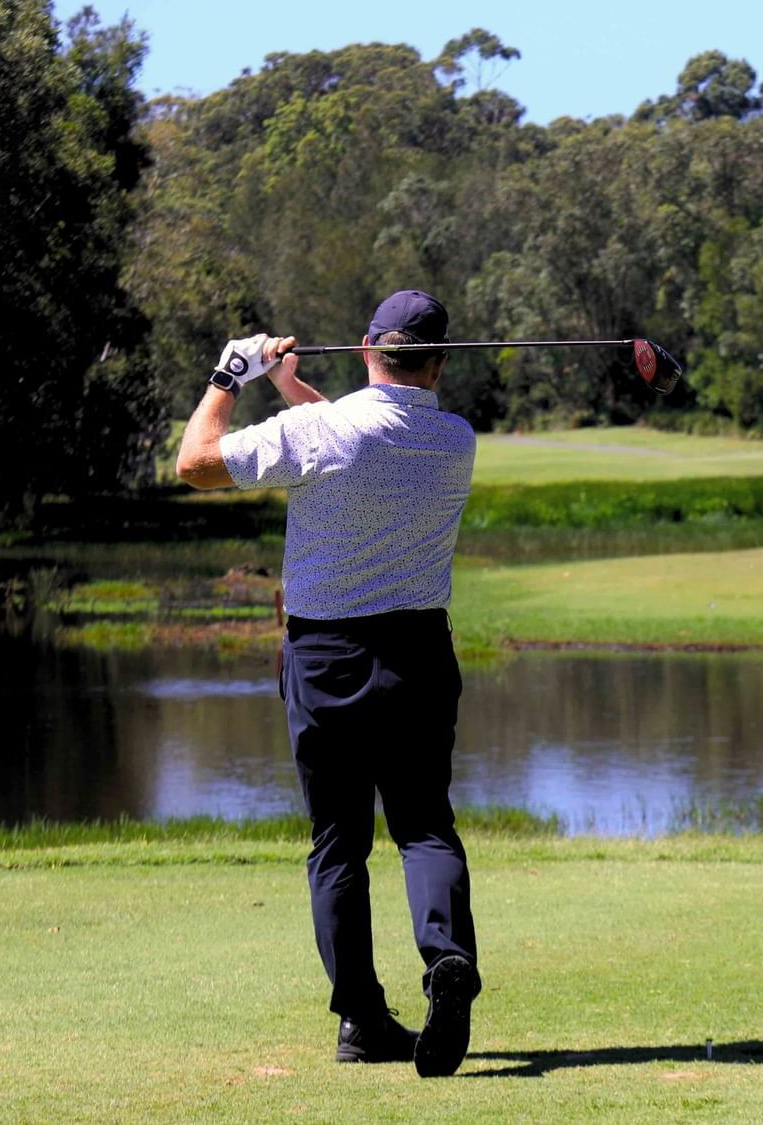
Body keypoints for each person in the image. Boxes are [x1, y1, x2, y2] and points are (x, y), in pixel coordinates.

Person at [175, 291, 481, 1078]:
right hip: (417, 651)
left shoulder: (325, 432)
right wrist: (289, 384)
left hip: (325, 658)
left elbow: (196, 463)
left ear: (366, 346)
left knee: (338, 842)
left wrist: (229, 374)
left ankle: (361, 1018)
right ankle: (447, 956)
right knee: (423, 826)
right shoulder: (454, 437)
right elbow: (355, 434)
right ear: (439, 362)